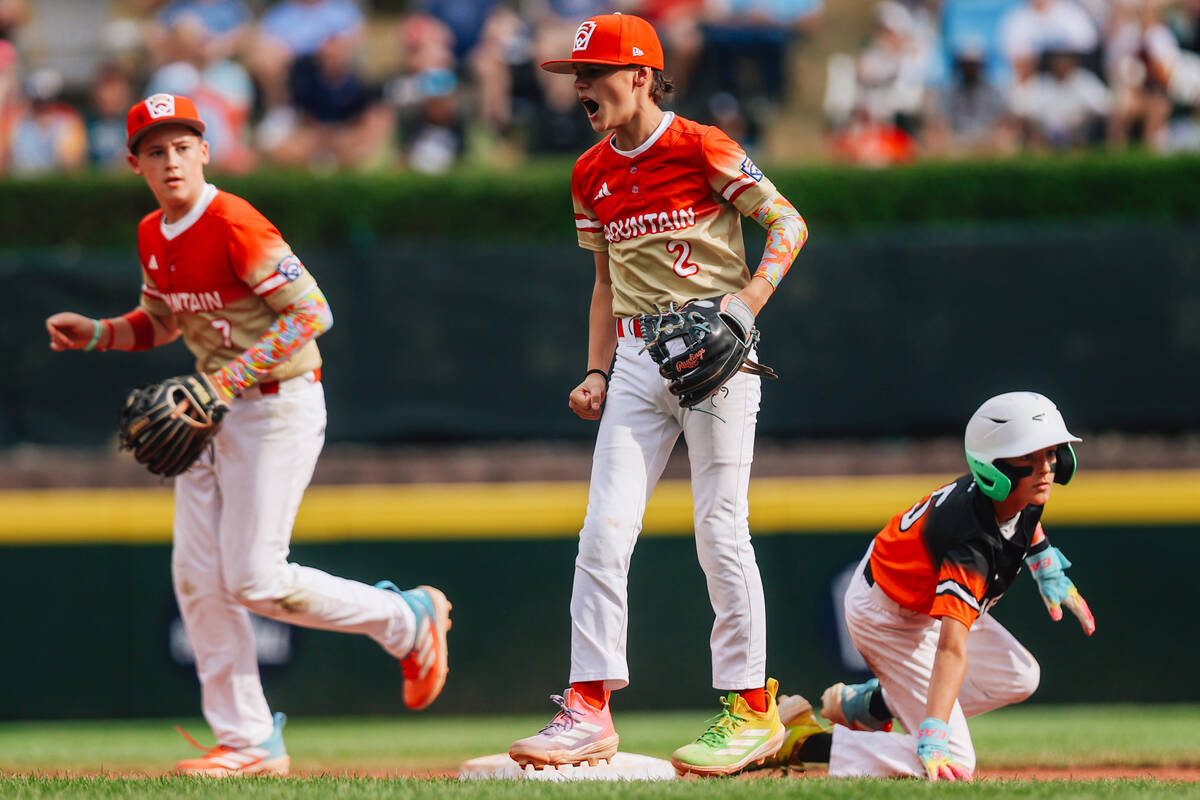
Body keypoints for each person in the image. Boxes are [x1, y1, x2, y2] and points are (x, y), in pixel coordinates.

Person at [43, 93, 451, 777]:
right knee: (199, 580)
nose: (170, 160)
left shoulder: (234, 221)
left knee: (256, 579)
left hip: (276, 405)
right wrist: (101, 336)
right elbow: (162, 320)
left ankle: (404, 618)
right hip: (214, 411)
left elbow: (310, 314)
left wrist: (221, 383)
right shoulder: (153, 233)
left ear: (204, 151)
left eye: (182, 146)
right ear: (135, 163)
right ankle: (249, 741)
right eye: (155, 150)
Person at [507, 13, 809, 778]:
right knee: (603, 530)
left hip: (717, 349)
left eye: (594, 72)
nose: (579, 87)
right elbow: (605, 284)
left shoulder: (703, 144)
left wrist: (743, 309)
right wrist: (598, 369)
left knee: (719, 527)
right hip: (639, 358)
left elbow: (787, 225)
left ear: (641, 74)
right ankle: (588, 710)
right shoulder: (588, 171)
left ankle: (750, 710)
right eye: (574, 75)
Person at [769, 391, 1096, 780]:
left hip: (919, 597)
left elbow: (1026, 522)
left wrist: (1046, 568)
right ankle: (798, 742)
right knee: (953, 760)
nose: (1044, 468)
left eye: (1050, 454)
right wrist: (934, 733)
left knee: (1019, 675)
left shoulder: (1018, 490)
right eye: (1028, 457)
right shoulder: (971, 544)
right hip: (888, 616)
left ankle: (873, 705)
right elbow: (951, 647)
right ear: (995, 466)